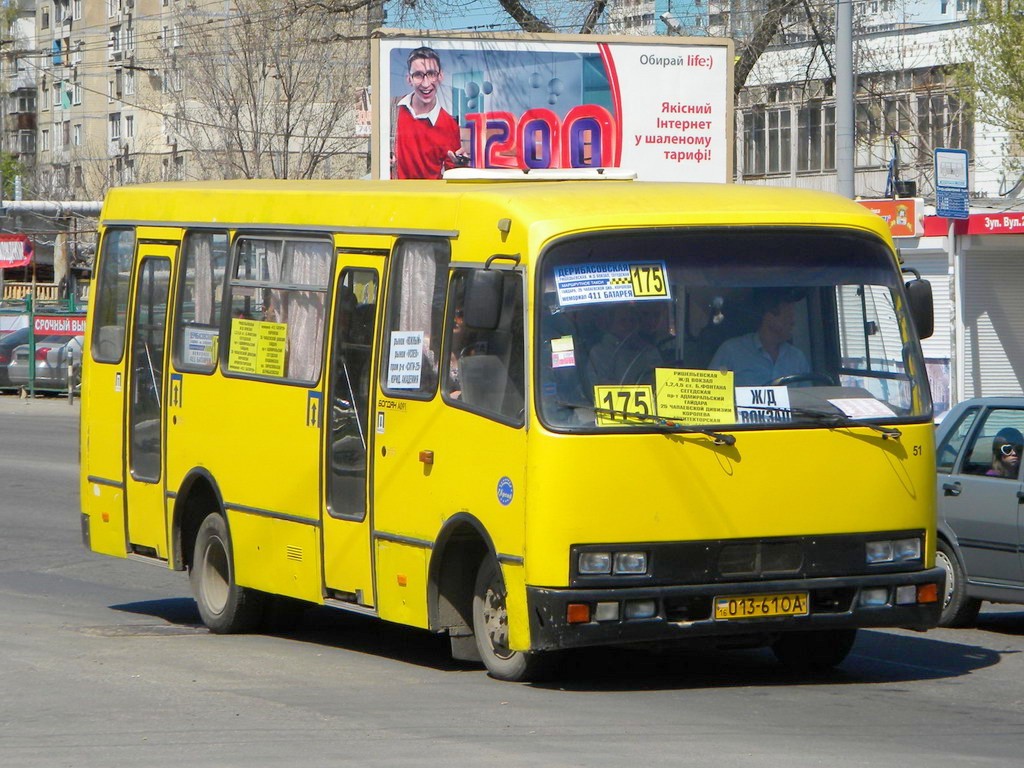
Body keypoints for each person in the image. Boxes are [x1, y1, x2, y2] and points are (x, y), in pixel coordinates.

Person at [393, 47, 467, 180]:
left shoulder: (449, 125)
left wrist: (461, 166)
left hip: (429, 198)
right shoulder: (392, 110)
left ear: (440, 76)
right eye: (418, 75)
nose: (426, 84)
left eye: (431, 74)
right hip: (391, 197)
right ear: (409, 79)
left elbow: (454, 176)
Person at [709, 289, 809, 386]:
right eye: (788, 315)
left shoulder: (797, 358)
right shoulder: (731, 352)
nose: (793, 322)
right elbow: (713, 396)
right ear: (769, 316)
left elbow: (808, 400)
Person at [585, 302, 663, 386]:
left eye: (632, 320)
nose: (629, 325)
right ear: (611, 324)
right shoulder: (599, 352)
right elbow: (599, 384)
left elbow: (659, 381)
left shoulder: (649, 351)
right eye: (623, 321)